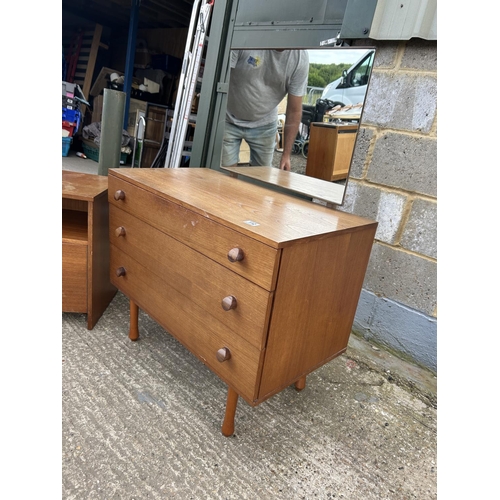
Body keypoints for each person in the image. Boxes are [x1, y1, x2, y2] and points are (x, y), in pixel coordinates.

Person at [222, 49, 309, 171]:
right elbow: (221, 74)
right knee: (225, 175)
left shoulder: (300, 59)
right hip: (229, 117)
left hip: (265, 124)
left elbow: (294, 110)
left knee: (261, 178)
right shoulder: (249, 37)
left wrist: (286, 155)